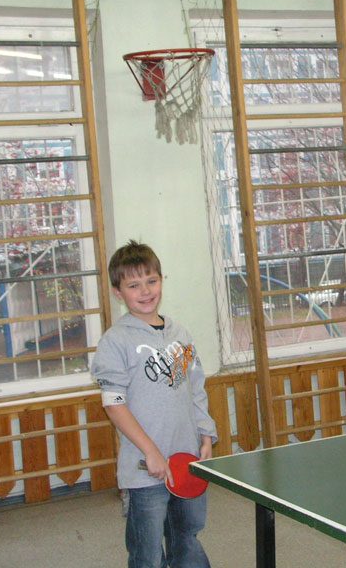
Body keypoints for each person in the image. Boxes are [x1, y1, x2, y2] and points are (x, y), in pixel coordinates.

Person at [91, 240, 217, 568]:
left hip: (187, 460)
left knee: (187, 537)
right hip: (145, 469)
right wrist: (150, 452)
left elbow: (194, 388)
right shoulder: (115, 341)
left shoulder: (180, 333)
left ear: (162, 280)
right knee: (147, 553)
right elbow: (114, 405)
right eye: (133, 285)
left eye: (151, 281)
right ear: (118, 292)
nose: (145, 291)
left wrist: (205, 434)